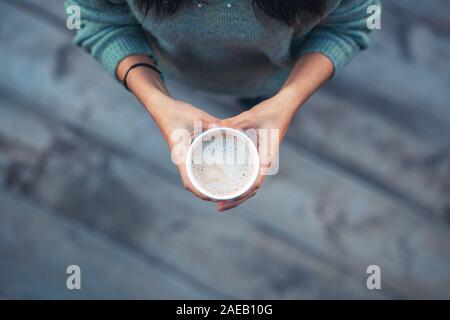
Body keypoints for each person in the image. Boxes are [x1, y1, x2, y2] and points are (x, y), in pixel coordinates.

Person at [65, 0, 380, 211]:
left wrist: (288, 99)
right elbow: (97, 20)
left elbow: (348, 25)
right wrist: (155, 98)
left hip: (274, 79)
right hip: (173, 69)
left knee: (257, 102)